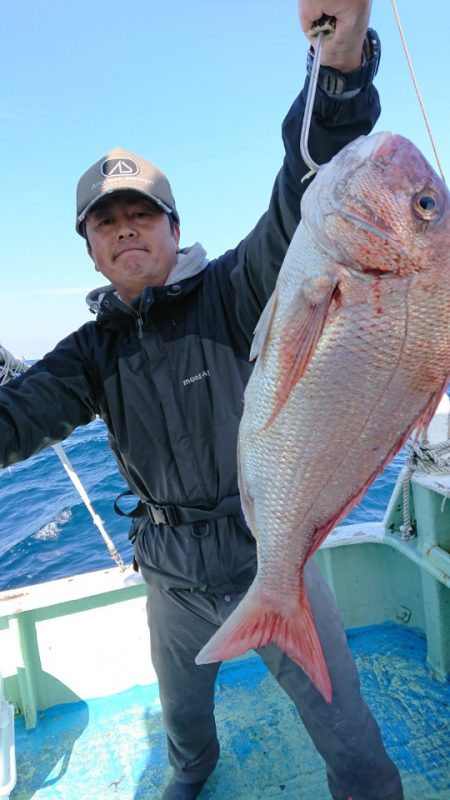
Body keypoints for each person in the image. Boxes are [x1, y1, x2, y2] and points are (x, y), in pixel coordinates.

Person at [0, 2, 404, 798]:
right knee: (187, 739)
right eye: (105, 221)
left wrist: (342, 60)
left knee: (353, 747)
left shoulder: (239, 288)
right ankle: (193, 774)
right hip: (170, 579)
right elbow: (17, 420)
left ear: (173, 225)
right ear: (88, 247)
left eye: (140, 213)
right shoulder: (90, 353)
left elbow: (307, 186)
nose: (125, 231)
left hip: (272, 549)